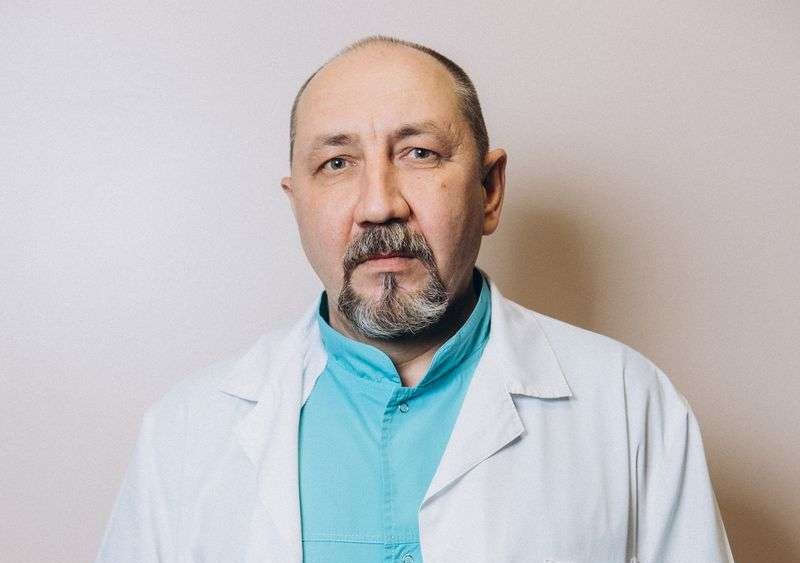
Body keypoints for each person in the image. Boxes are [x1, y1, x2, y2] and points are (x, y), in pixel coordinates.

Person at [95, 35, 735, 563]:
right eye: (337, 163)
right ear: (297, 205)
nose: (380, 204)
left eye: (419, 153)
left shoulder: (629, 405)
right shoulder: (183, 433)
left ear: (489, 190)